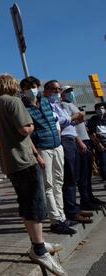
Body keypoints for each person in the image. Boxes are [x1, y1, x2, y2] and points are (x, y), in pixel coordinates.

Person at [0, 73, 66, 276]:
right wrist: (31, 126)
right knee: (35, 203)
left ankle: (36, 242)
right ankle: (39, 249)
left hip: (9, 161)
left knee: (25, 202)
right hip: (23, 159)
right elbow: (25, 129)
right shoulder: (13, 101)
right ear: (11, 85)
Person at [20, 76, 76, 235]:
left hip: (57, 145)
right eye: (29, 87)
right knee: (49, 185)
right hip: (43, 148)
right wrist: (36, 154)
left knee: (59, 182)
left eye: (35, 86)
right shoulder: (24, 107)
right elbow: (27, 135)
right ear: (23, 90)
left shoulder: (44, 101)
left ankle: (62, 216)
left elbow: (54, 120)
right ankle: (55, 220)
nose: (33, 89)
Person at [43, 80, 93, 224]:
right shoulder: (46, 105)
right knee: (69, 177)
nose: (56, 92)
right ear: (46, 90)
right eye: (53, 89)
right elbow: (56, 121)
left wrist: (76, 119)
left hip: (71, 139)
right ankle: (71, 211)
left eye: (58, 89)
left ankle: (74, 207)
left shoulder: (58, 105)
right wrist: (73, 118)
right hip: (64, 140)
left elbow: (68, 121)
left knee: (74, 175)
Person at [61, 86, 105, 210]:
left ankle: (89, 197)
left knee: (87, 173)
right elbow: (70, 125)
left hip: (85, 140)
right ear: (63, 94)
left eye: (72, 91)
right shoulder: (64, 105)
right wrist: (79, 142)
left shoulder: (72, 105)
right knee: (82, 174)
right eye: (68, 92)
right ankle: (85, 200)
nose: (71, 93)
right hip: (79, 142)